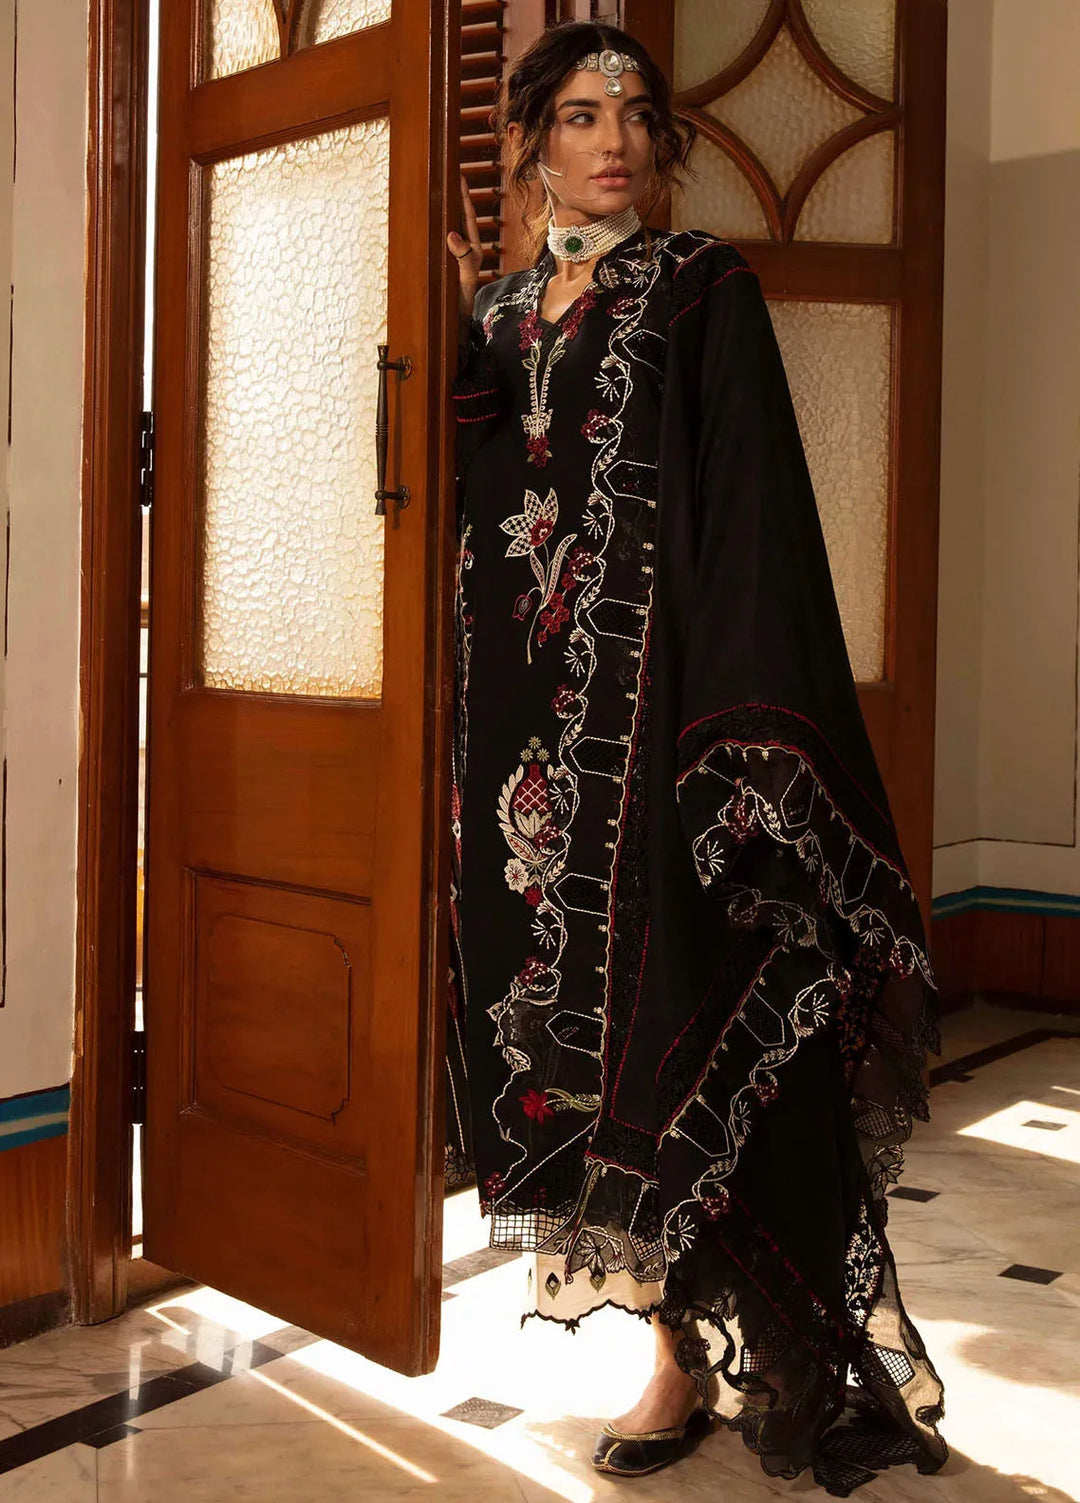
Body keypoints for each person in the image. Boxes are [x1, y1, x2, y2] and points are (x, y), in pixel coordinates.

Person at [444, 21, 947, 1494]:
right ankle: (664, 1332)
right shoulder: (500, 313)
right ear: (531, 141)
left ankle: (702, 1360)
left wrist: (737, 740)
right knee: (570, 1047)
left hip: (665, 731)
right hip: (529, 749)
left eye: (633, 116)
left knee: (689, 1019)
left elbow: (756, 513)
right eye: (579, 115)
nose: (613, 140)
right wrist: (459, 318)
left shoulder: (698, 284)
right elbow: (471, 495)